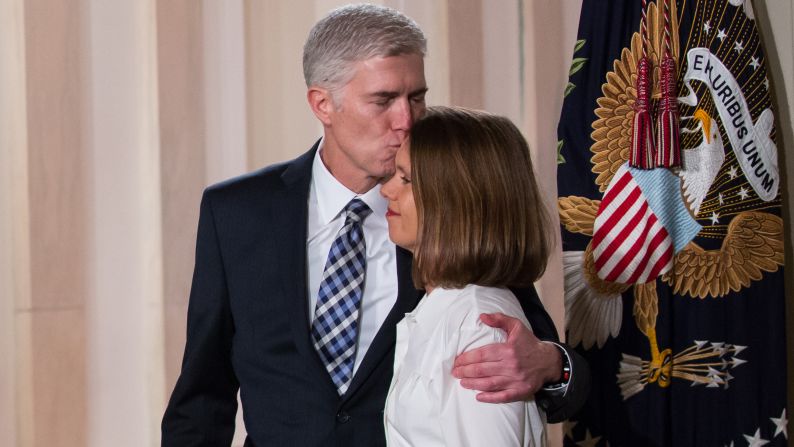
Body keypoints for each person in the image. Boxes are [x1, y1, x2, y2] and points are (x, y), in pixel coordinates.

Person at [162, 4, 588, 446]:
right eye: (383, 100)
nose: (406, 121)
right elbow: (201, 399)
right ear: (322, 103)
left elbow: (540, 363)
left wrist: (551, 364)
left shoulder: (451, 217)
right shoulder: (236, 213)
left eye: (417, 98)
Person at [382, 106, 550, 446]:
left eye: (406, 179)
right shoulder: (448, 306)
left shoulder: (479, 323)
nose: (387, 190)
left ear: (456, 199)